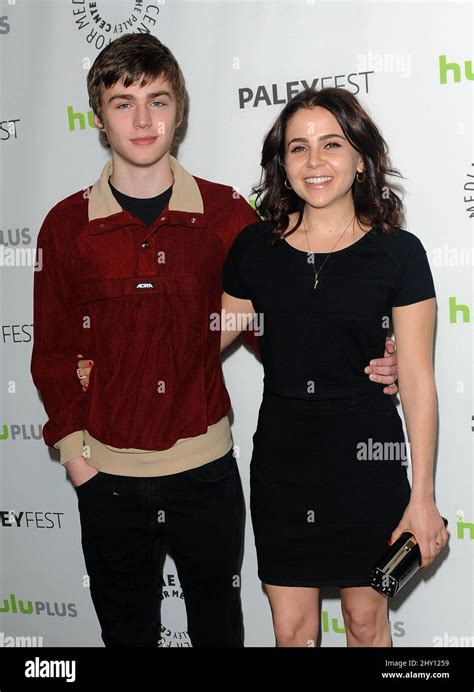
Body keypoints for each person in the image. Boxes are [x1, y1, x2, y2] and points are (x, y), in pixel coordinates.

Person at [31, 32, 399, 649]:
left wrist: (370, 360)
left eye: (158, 99)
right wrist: (77, 459)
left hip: (207, 471)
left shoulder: (228, 215)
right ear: (98, 117)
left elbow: (277, 316)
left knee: (219, 634)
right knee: (127, 634)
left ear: (181, 111)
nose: (143, 119)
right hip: (107, 475)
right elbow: (50, 350)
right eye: (124, 103)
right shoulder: (66, 226)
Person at [219, 87, 448, 647]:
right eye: (298, 148)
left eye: (332, 144)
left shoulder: (400, 253)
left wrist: (423, 497)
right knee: (291, 633)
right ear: (282, 162)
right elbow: (201, 338)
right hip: (283, 464)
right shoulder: (253, 249)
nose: (315, 162)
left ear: (361, 157)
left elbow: (417, 379)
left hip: (366, 464)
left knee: (367, 626)